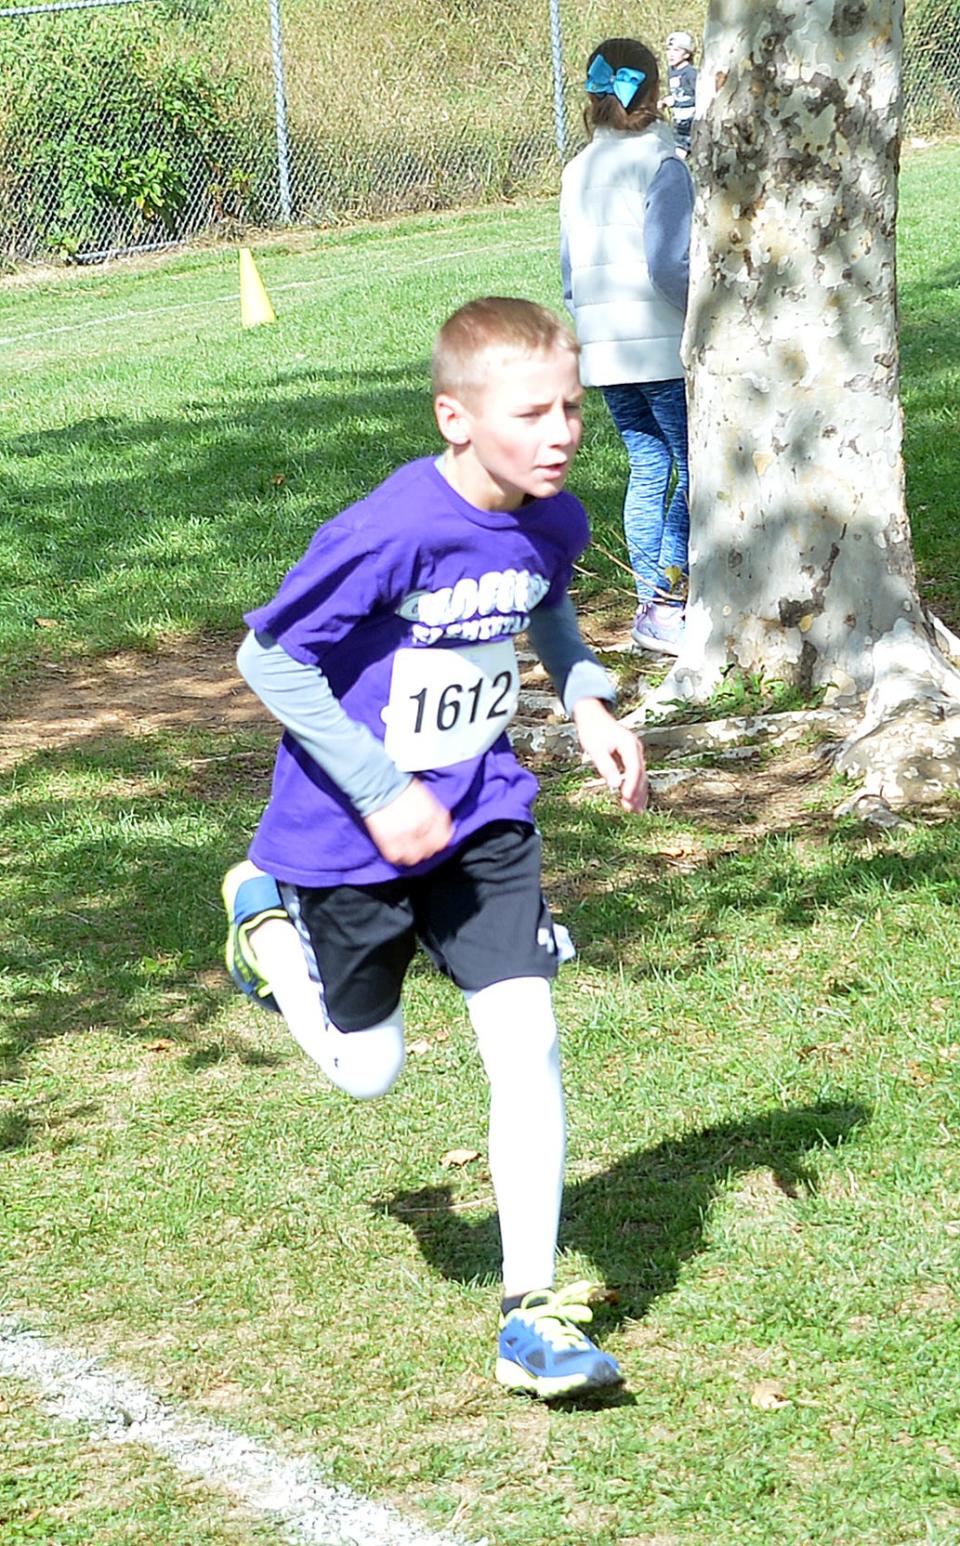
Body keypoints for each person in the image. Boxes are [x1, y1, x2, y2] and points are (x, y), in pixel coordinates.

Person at [221, 296, 648, 1400]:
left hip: (483, 817)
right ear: (456, 418)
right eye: (533, 413)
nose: (562, 433)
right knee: (370, 1072)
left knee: (528, 1037)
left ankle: (532, 1313)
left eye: (573, 408)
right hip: (348, 837)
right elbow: (267, 660)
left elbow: (545, 611)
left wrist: (592, 702)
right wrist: (379, 788)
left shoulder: (555, 517)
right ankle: (267, 929)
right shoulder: (391, 528)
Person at [560, 38, 694, 657]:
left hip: (604, 351)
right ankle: (671, 598)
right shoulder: (664, 164)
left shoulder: (577, 170)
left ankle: (651, 601)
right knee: (694, 465)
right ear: (656, 92)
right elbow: (670, 264)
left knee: (648, 465)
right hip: (663, 348)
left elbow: (568, 274)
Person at [662, 31, 698, 158]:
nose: (671, 54)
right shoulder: (671, 71)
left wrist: (677, 102)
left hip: (691, 123)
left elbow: (699, 99)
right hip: (678, 122)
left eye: (676, 50)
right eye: (668, 49)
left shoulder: (691, 73)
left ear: (687, 54)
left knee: (678, 157)